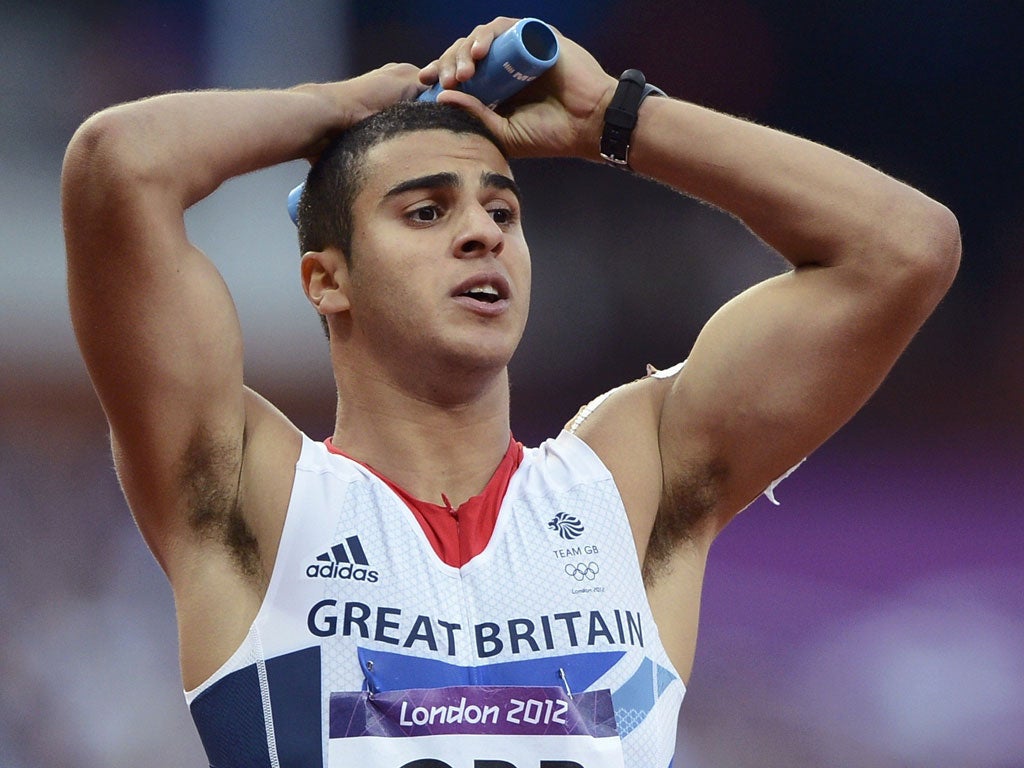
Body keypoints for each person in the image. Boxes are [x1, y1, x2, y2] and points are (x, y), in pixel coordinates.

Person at [61, 16, 960, 768]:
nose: (482, 235)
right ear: (325, 279)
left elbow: (904, 248)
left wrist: (615, 114)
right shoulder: (254, 491)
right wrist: (336, 110)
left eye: (503, 211)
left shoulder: (625, 483)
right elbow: (119, 163)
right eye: (426, 210)